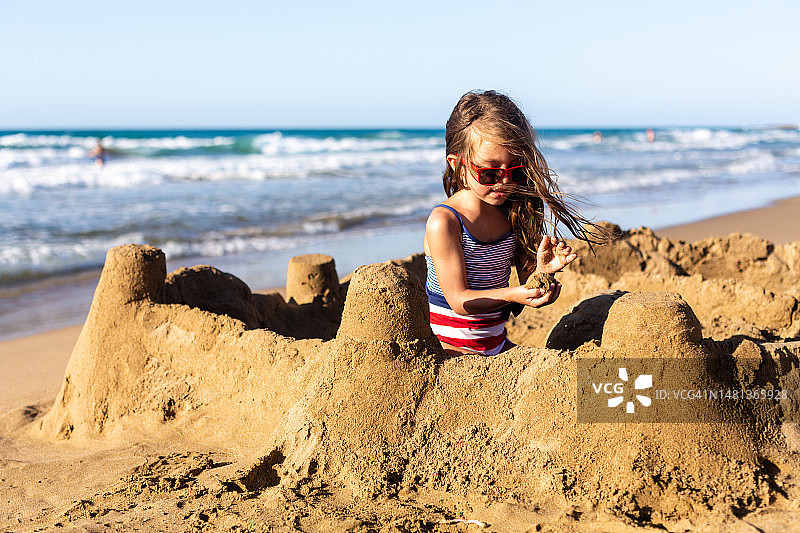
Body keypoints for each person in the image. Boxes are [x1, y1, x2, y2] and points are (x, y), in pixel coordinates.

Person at [424, 90, 598, 356]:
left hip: (497, 345)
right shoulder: (445, 222)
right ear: (457, 165)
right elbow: (459, 301)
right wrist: (513, 294)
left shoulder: (516, 210)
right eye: (489, 172)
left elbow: (526, 291)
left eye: (515, 170)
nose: (504, 182)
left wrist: (543, 274)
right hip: (449, 350)